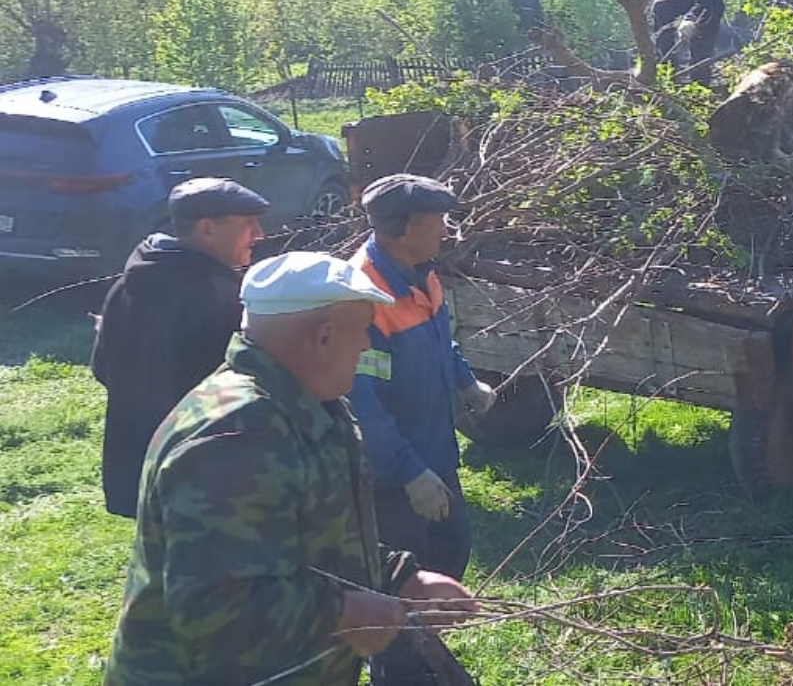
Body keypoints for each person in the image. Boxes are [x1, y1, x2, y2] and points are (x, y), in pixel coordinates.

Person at [103, 252, 479, 686]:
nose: (365, 347)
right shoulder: (239, 435)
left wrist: (402, 579)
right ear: (323, 337)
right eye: (361, 332)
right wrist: (346, 612)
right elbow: (214, 608)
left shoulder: (309, 405)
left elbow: (313, 534)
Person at [347, 174, 496, 686]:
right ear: (403, 227)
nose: (446, 231)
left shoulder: (422, 274)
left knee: (451, 552)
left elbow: (442, 340)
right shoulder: (367, 295)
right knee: (401, 586)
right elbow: (362, 403)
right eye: (436, 221)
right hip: (394, 475)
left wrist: (465, 381)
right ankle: (401, 671)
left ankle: (421, 656)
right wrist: (409, 473)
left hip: (437, 454)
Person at [90, 177, 270, 519]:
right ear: (206, 229)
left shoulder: (128, 283)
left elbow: (103, 367)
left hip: (138, 459)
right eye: (247, 223)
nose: (259, 234)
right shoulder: (220, 299)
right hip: (200, 469)